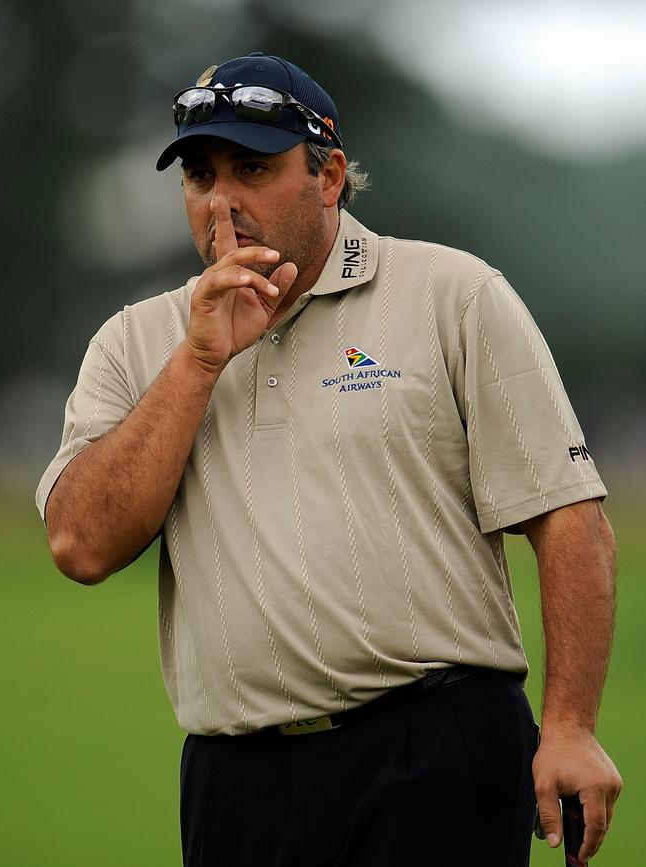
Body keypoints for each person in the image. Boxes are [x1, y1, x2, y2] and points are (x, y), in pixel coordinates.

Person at [37, 52, 621, 866]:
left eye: (252, 167)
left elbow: (570, 519)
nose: (223, 201)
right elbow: (82, 546)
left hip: (435, 748)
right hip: (236, 774)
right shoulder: (136, 342)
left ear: (330, 176)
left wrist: (569, 725)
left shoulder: (453, 294)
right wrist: (198, 362)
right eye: (201, 175)